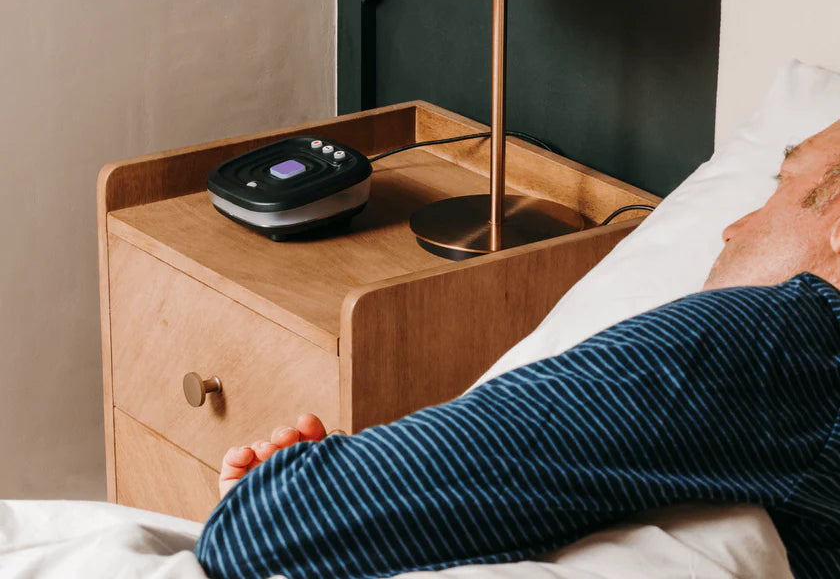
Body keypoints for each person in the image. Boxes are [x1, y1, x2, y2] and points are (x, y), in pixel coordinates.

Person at [196, 120, 840, 579]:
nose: (734, 225)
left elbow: (262, 534)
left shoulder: (781, 337)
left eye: (781, 189)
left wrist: (291, 487)